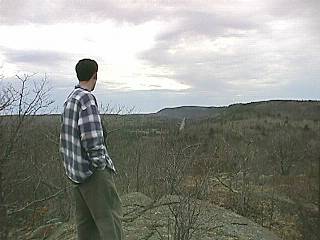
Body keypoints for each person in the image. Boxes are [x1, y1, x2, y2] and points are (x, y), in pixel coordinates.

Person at [59, 58, 123, 240]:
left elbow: (65, 138)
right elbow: (92, 138)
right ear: (95, 75)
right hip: (93, 174)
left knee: (86, 228)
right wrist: (100, 165)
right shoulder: (86, 98)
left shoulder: (70, 99)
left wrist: (70, 167)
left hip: (76, 174)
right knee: (110, 221)